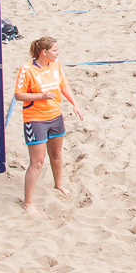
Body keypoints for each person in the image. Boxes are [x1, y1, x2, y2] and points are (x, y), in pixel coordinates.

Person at [16, 36, 85, 214]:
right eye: (55, 50)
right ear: (44, 52)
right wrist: (40, 96)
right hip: (35, 119)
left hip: (55, 116)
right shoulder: (27, 70)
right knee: (37, 162)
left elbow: (63, 85)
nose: (58, 53)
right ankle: (28, 202)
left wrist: (75, 104)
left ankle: (58, 184)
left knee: (56, 154)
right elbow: (18, 95)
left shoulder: (55, 65)